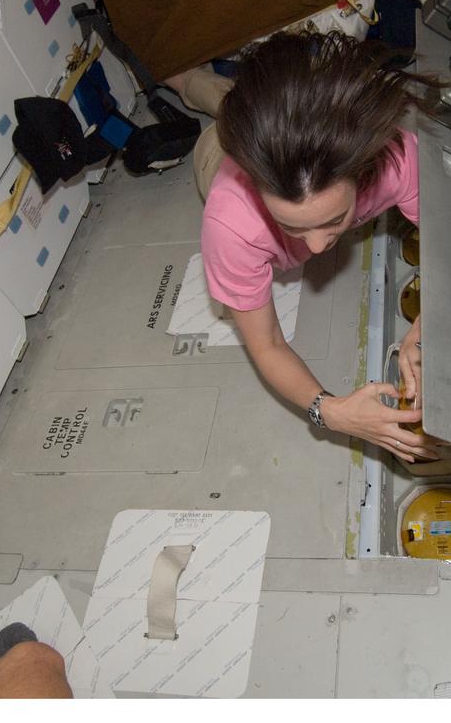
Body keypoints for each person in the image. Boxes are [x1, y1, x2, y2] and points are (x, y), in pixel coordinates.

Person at [167, 32, 437, 465]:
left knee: (239, 101)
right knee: (221, 117)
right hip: (220, 158)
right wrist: (330, 412)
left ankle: (206, 86)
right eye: (289, 225)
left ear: (363, 171)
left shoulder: (395, 159)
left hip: (282, 133)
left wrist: (426, 328)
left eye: (333, 220)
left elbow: (449, 248)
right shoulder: (230, 225)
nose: (314, 247)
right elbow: (268, 343)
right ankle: (180, 78)